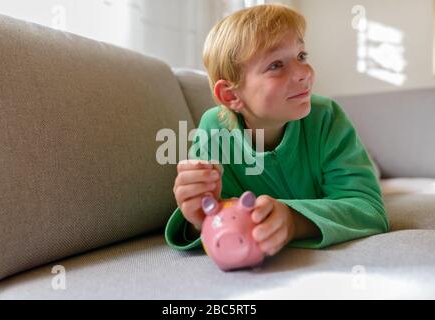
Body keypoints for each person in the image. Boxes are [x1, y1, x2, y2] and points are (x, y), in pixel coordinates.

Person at [165, 4, 389, 257]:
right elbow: (218, 217)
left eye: (301, 56)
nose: (304, 73)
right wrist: (199, 218)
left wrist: (293, 221)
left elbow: (369, 209)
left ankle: (374, 164)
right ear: (230, 95)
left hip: (351, 166)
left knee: (373, 172)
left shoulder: (326, 116)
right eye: (276, 65)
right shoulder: (214, 130)